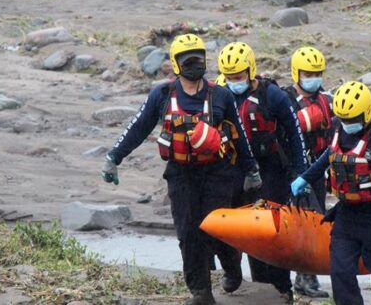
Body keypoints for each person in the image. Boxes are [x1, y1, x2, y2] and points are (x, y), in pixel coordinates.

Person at [101, 34, 262, 305]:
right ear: (176, 64)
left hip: (217, 173)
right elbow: (138, 127)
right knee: (189, 233)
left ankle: (232, 268)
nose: (193, 63)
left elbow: (239, 138)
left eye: (198, 58)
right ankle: (201, 293)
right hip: (181, 175)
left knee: (217, 229)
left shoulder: (220, 95)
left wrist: (251, 171)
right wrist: (114, 157)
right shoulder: (162, 95)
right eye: (187, 60)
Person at [292, 81, 371, 305]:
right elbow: (329, 154)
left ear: (367, 113)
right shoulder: (337, 126)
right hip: (347, 216)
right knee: (340, 273)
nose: (347, 124)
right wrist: (306, 177)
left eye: (352, 120)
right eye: (343, 119)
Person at [218, 41, 308, 302]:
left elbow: (295, 133)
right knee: (245, 230)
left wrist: (300, 174)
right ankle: (257, 285)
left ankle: (282, 289)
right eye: (229, 77)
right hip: (237, 169)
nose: (234, 81)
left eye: (239, 76)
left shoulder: (274, 96)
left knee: (273, 231)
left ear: (251, 70)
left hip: (271, 169)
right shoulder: (221, 95)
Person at [282, 46, 333, 298]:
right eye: (308, 73)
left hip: (320, 169)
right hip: (296, 170)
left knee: (317, 218)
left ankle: (304, 278)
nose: (313, 77)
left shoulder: (328, 99)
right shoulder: (286, 99)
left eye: (317, 72)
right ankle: (307, 279)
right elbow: (280, 133)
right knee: (308, 221)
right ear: (296, 73)